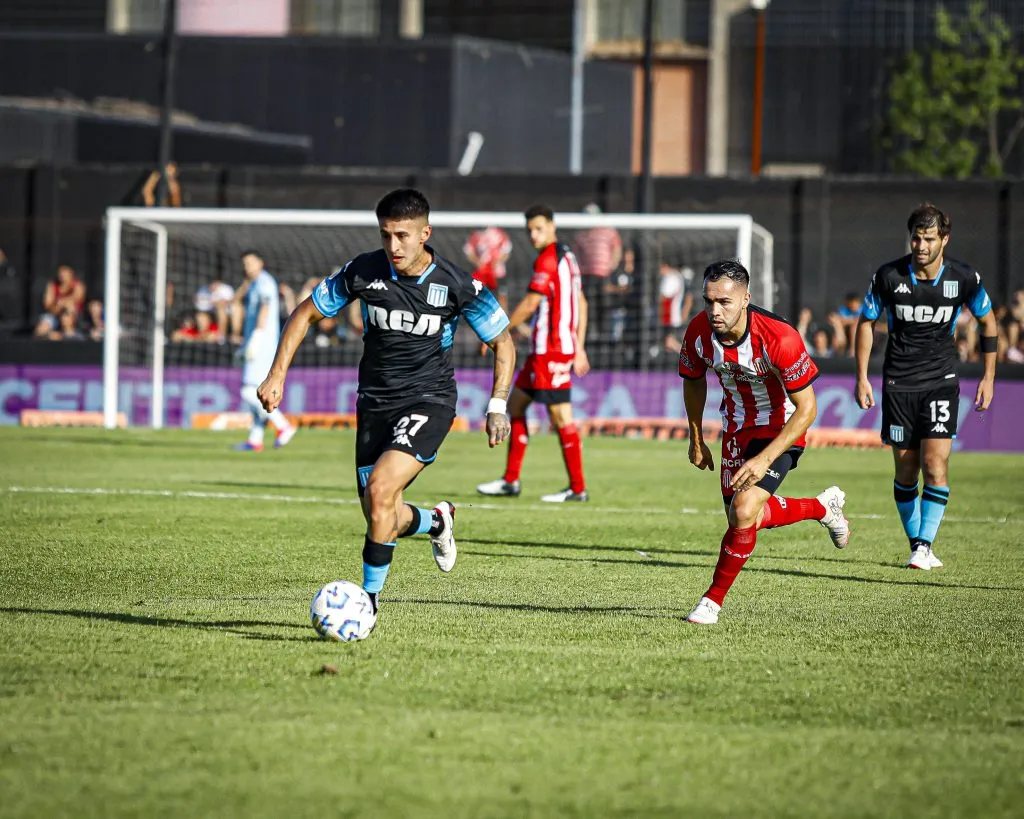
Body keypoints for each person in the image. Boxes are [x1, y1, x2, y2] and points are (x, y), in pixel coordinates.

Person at [257, 188, 515, 617]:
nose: (393, 246)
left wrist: (497, 405)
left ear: (424, 233)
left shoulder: (456, 283)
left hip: (430, 400)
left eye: (402, 236)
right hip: (374, 404)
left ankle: (366, 606)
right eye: (385, 236)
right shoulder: (364, 271)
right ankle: (438, 521)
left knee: (380, 490)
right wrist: (276, 374)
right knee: (382, 514)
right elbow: (305, 314)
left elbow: (504, 343)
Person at [680, 259, 851, 625]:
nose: (714, 310)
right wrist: (696, 437)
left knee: (744, 511)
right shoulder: (697, 331)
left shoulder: (779, 337)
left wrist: (764, 459)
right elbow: (693, 379)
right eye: (709, 301)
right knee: (745, 517)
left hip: (782, 428)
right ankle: (822, 508)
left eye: (724, 302)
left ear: (746, 299)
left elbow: (807, 409)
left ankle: (711, 602)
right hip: (736, 428)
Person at [854, 204, 997, 571]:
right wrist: (861, 377)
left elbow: (988, 322)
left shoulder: (963, 278)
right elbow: (866, 322)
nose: (920, 245)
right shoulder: (888, 276)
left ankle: (922, 546)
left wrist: (988, 376)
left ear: (944, 240)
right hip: (898, 385)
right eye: (916, 237)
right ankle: (920, 545)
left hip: (941, 382)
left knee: (935, 466)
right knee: (906, 472)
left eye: (929, 238)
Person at [476, 204, 591, 502]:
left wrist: (498, 330)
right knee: (515, 407)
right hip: (546, 350)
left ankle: (578, 489)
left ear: (552, 226)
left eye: (539, 228)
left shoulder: (548, 260)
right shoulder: (568, 256)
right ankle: (510, 481)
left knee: (562, 417)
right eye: (530, 230)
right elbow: (582, 302)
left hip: (550, 352)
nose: (534, 235)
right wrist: (579, 345)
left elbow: (529, 303)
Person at [233, 250, 297, 452]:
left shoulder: (265, 282)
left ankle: (283, 425)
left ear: (261, 263)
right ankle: (255, 438)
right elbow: (236, 301)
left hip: (263, 344)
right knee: (257, 393)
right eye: (244, 264)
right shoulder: (253, 283)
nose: (247, 267)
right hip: (259, 342)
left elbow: (265, 308)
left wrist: (257, 337)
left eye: (250, 263)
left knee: (248, 390)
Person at [34, 265, 85, 338]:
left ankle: (69, 336)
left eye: (65, 274)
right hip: (55, 314)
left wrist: (63, 302)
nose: (63, 276)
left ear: (71, 274)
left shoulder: (77, 285)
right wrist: (58, 307)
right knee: (42, 328)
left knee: (69, 308)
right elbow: (47, 304)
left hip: (73, 315)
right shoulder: (53, 285)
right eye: (61, 274)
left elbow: (78, 298)